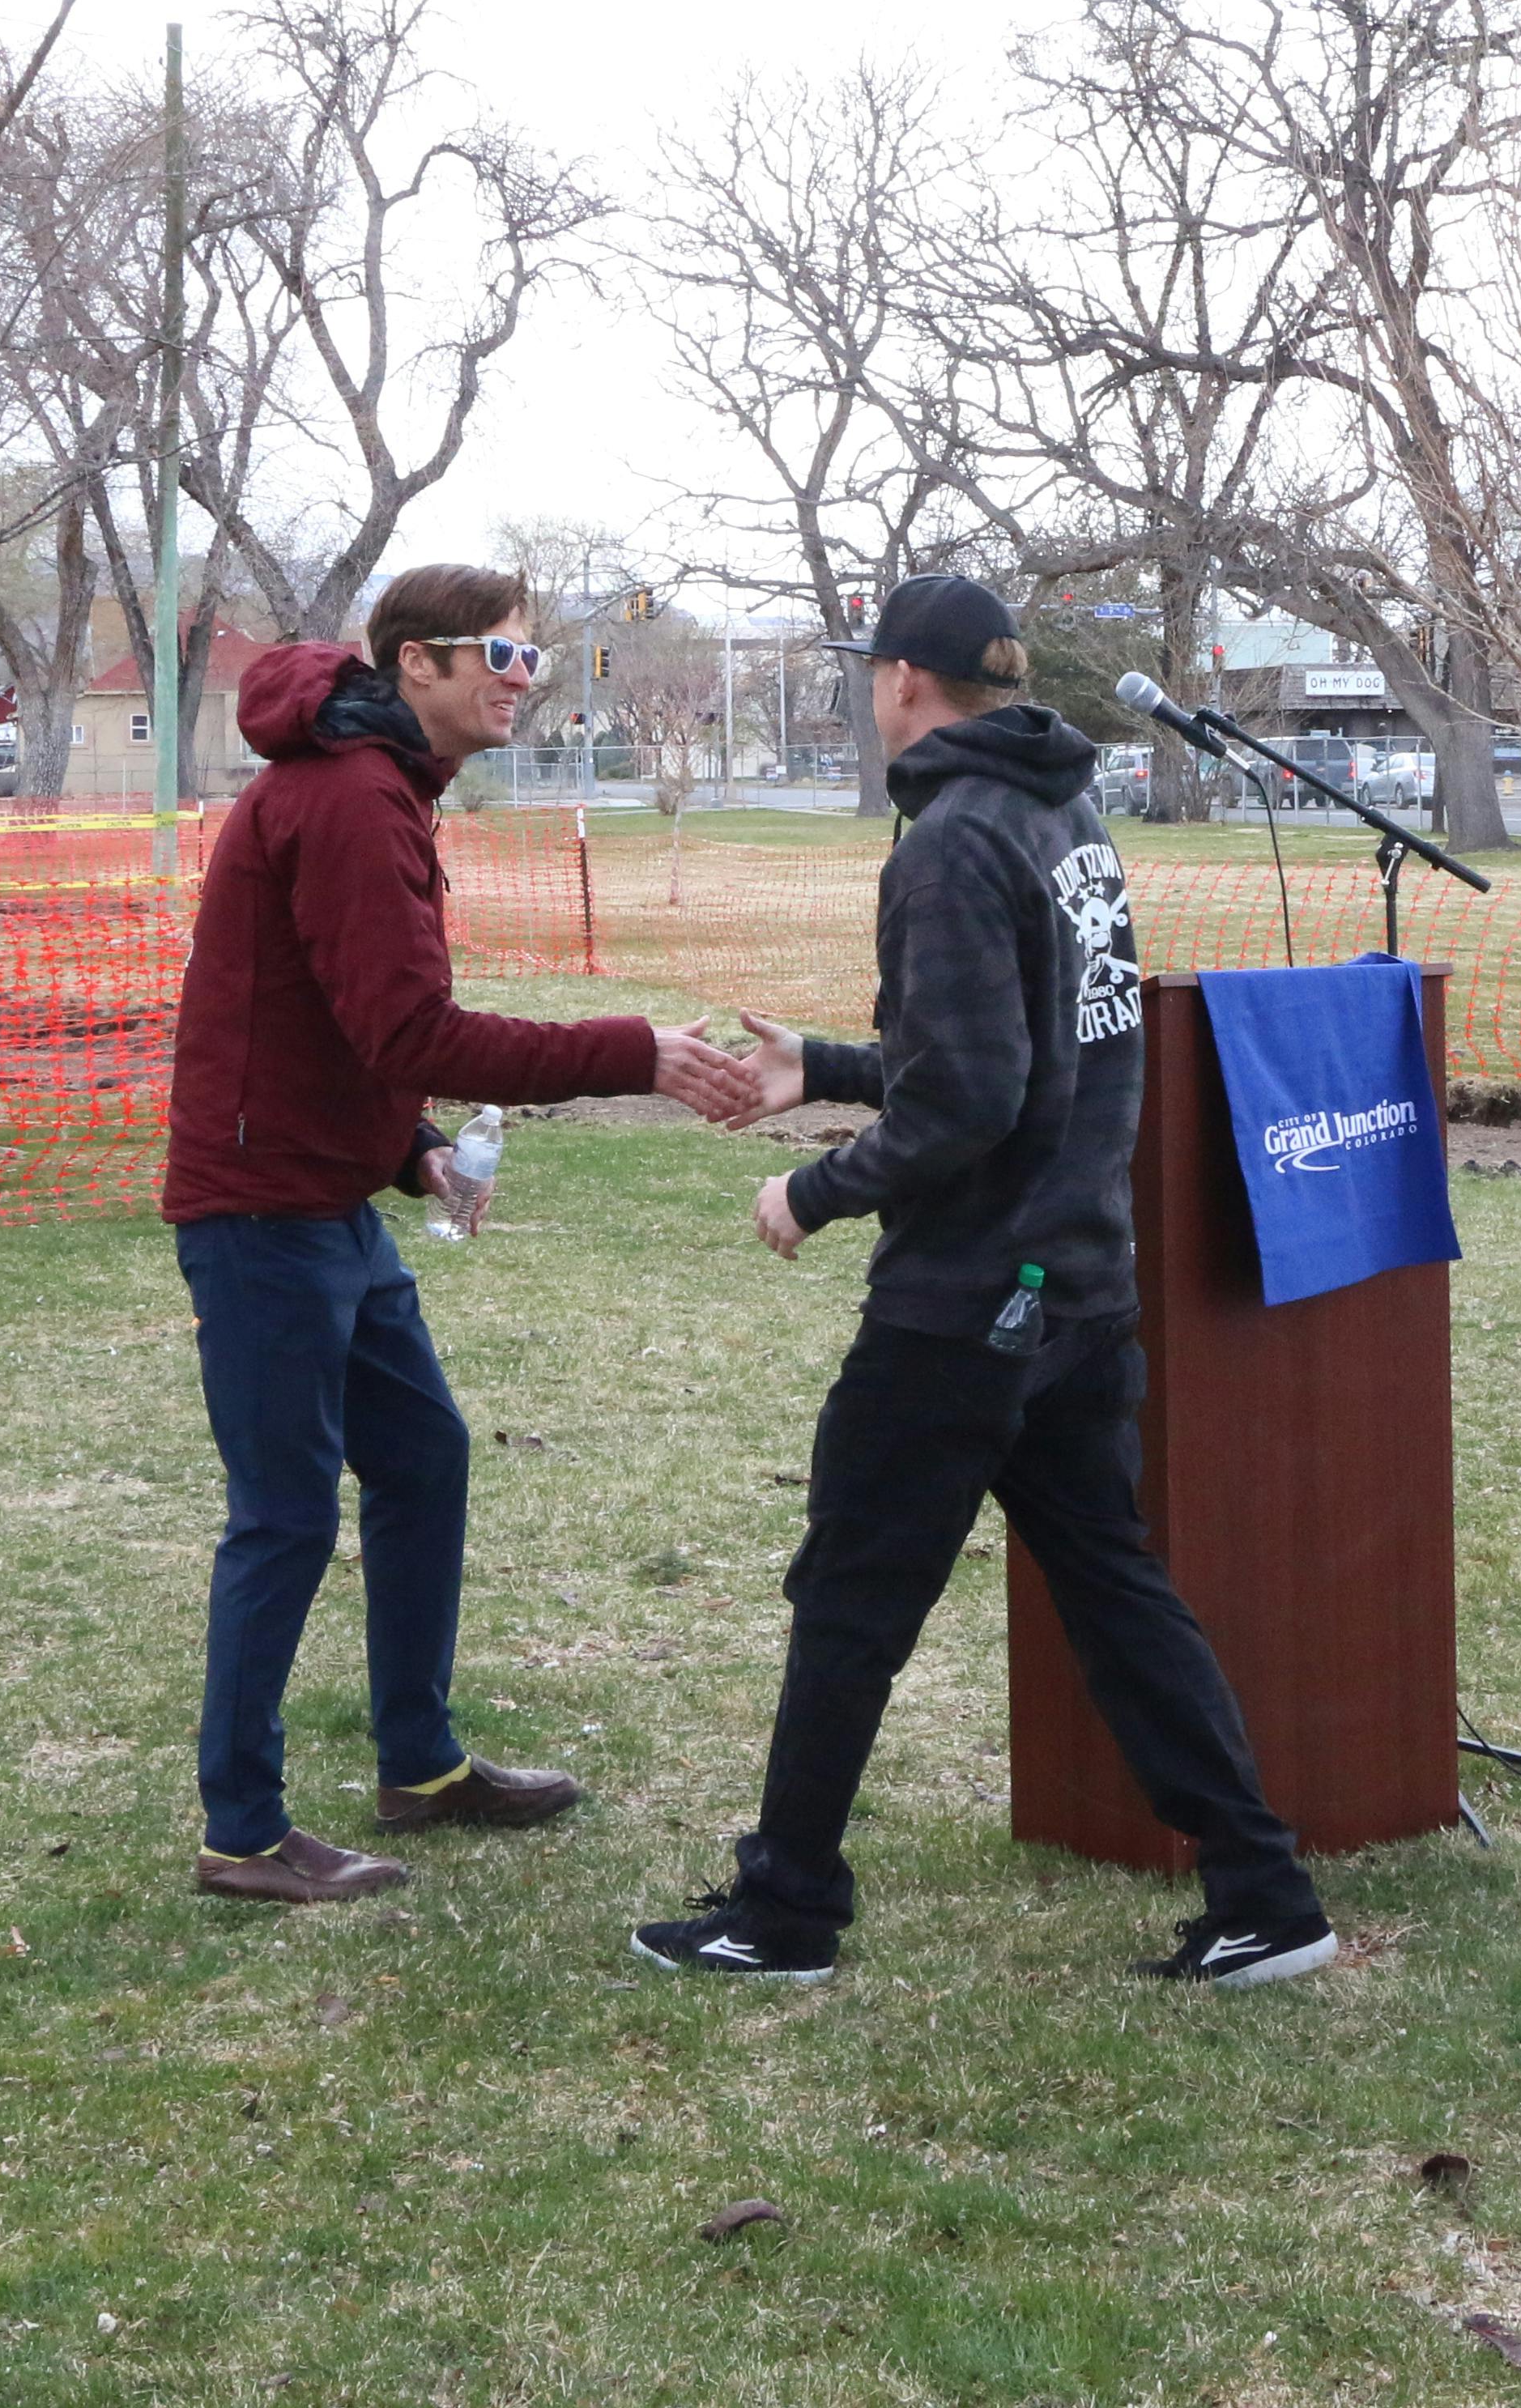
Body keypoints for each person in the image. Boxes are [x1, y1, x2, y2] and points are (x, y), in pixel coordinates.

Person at [633, 572, 1338, 1989]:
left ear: (903, 680)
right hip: (1076, 1282)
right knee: (1114, 1584)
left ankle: (783, 1914)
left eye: (869, 676)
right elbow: (1009, 1055)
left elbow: (967, 1098)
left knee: (850, 1596)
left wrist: (812, 1190)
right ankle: (1268, 1897)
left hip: (967, 1304)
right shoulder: (1063, 810)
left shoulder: (951, 842)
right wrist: (823, 1068)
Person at [166, 563, 760, 1905]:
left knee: (423, 1456)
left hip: (326, 1195)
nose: (521, 683)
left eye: (530, 661)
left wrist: (409, 1147)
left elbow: (329, 1025)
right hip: (263, 1210)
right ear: (414, 664)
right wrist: (634, 1055)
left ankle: (420, 1768)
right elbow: (410, 1032)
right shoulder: (347, 796)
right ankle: (242, 1833)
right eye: (500, 658)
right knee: (283, 1516)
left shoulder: (379, 786)